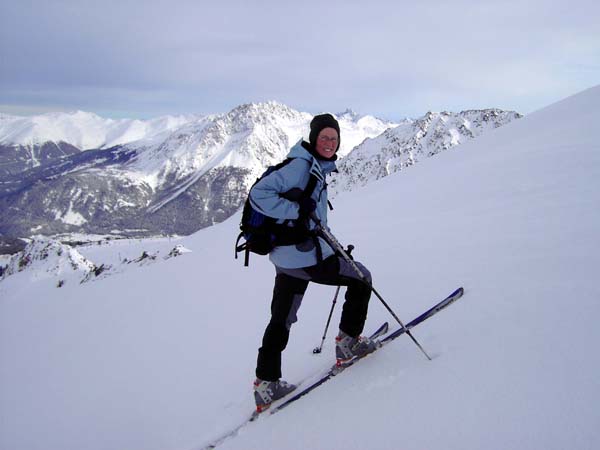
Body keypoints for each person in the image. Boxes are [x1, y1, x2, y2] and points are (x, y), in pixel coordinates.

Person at [248, 113, 376, 412]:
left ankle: (266, 383)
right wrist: (296, 211)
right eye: (324, 137)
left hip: (287, 258)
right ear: (314, 138)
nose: (329, 143)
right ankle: (349, 342)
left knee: (281, 318)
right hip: (305, 257)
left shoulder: (312, 164)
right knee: (361, 278)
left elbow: (311, 217)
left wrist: (310, 223)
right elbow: (258, 194)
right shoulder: (300, 166)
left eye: (334, 138)